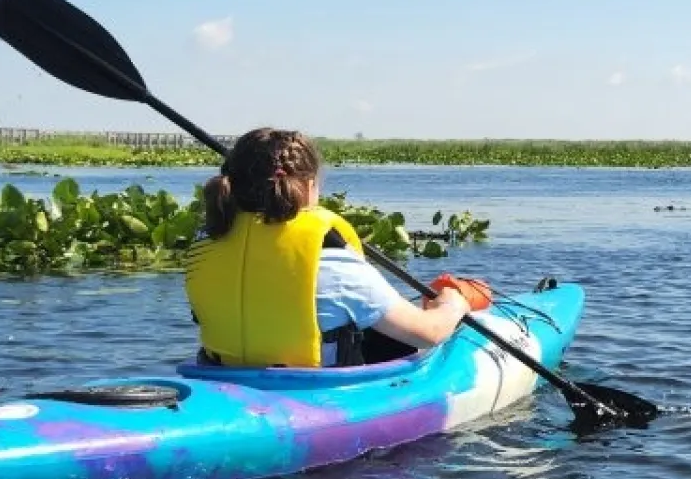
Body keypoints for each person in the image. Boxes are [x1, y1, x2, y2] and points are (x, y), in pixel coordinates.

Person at [183, 127, 473, 368]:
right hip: (313, 392)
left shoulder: (205, 247)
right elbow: (429, 333)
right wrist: (453, 304)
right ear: (309, 186)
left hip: (221, 379)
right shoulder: (332, 264)